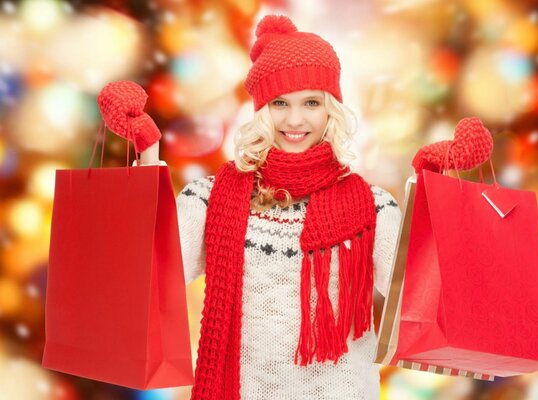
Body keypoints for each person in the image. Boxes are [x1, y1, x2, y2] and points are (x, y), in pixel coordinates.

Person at [99, 14, 402, 400]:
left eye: (311, 102)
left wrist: (436, 190)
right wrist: (147, 154)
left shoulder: (374, 207)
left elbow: (414, 295)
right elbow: (152, 272)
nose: (295, 120)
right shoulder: (210, 199)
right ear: (261, 110)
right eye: (280, 103)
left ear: (331, 109)